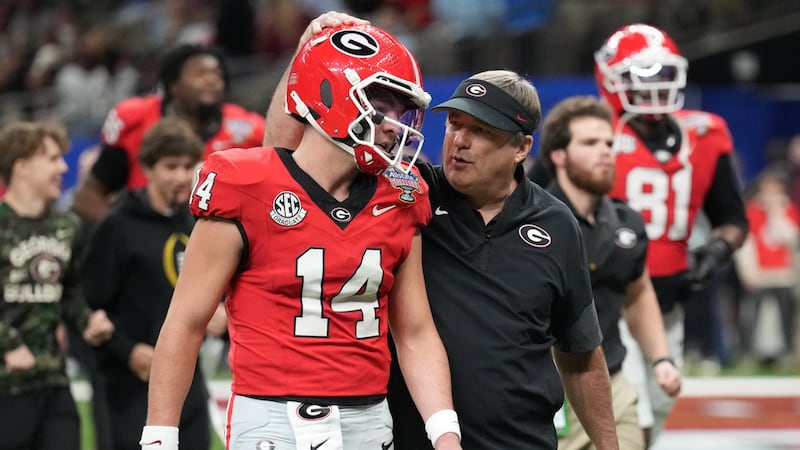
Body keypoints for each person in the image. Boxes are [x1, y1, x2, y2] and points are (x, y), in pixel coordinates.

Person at [264, 16, 620, 447]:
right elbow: (284, 166)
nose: (460, 141)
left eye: (481, 132)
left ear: (522, 148)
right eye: (455, 124)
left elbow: (581, 355)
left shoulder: (556, 223)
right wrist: (306, 52)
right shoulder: (405, 192)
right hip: (415, 439)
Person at [141, 16, 462, 450]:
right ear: (330, 95)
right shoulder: (246, 183)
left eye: (401, 111)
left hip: (370, 417)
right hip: (272, 417)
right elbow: (185, 321)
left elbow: (415, 331)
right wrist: (159, 437)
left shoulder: (402, 195)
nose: (394, 125)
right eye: (382, 107)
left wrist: (445, 433)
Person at [592, 24, 749, 443]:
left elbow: (733, 219)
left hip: (669, 302)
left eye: (662, 73)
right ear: (611, 79)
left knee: (656, 413)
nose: (656, 86)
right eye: (643, 76)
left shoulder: (705, 135)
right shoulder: (594, 135)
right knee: (630, 414)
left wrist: (713, 252)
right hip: (605, 299)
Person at [535, 96, 682, 450]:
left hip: (613, 382)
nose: (605, 151)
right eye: (589, 143)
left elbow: (638, 292)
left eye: (608, 143)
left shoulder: (626, 222)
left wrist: (661, 357)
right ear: (558, 155)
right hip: (548, 386)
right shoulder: (529, 220)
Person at [82, 117, 213, 450]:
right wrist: (128, 352)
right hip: (132, 384)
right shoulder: (117, 226)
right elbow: (89, 306)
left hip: (188, 381)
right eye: (171, 167)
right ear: (147, 167)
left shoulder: (198, 222)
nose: (182, 177)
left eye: (188, 166)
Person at [0, 121, 115, 449]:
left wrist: (86, 321)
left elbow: (69, 294)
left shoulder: (67, 227)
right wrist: (8, 345)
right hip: (5, 386)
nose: (62, 167)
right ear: (21, 167)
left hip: (53, 381)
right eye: (51, 159)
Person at [71, 43, 266, 223]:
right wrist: (127, 237)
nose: (211, 79)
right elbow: (87, 197)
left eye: (217, 74)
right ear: (174, 85)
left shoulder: (249, 130)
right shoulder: (137, 120)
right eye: (200, 73)